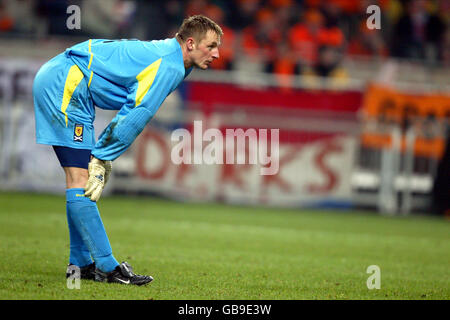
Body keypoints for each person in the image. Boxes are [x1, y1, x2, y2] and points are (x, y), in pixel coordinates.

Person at [33, 15, 222, 286]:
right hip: (65, 83)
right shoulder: (168, 63)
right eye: (211, 46)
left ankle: (81, 263)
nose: (217, 54)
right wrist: (103, 157)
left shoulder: (172, 59)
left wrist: (101, 157)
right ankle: (108, 267)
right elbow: (137, 113)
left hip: (70, 81)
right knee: (80, 180)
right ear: (190, 43)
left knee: (79, 180)